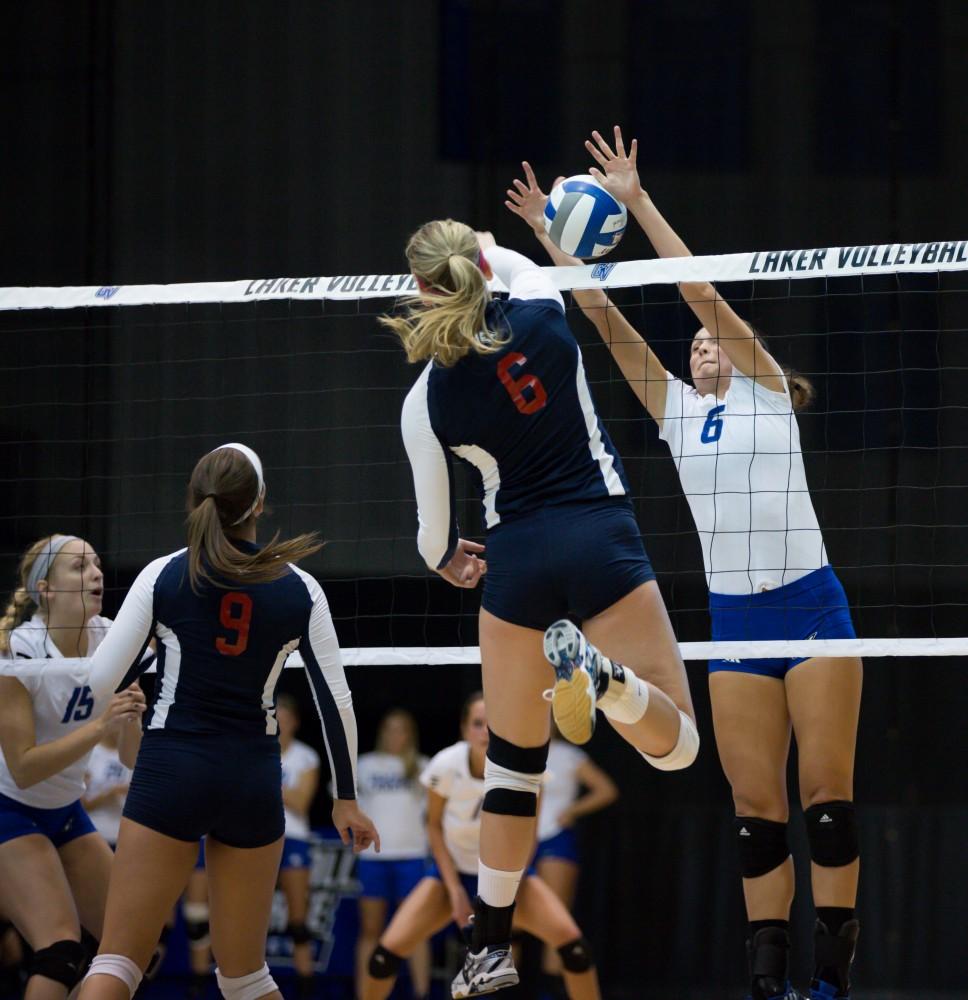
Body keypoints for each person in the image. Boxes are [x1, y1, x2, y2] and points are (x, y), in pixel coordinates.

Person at [507, 128, 862, 1000]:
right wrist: (554, 249)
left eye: (713, 340)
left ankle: (832, 981)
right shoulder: (674, 414)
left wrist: (634, 202)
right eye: (696, 344)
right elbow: (604, 317)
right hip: (736, 622)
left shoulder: (769, 392)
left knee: (825, 802)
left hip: (812, 609)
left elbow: (698, 290)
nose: (702, 346)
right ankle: (769, 984)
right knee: (755, 819)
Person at [386, 220, 698, 995]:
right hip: (599, 533)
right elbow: (515, 263)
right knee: (682, 745)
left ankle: (489, 948)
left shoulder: (423, 401)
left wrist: (449, 561)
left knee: (513, 773)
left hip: (515, 563)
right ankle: (610, 684)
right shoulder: (538, 302)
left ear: (422, 288)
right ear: (482, 262)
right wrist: (498, 236)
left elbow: (432, 539)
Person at [72, 443, 379, 1000]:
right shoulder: (300, 589)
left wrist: (150, 659)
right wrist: (347, 797)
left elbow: (97, 684)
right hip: (252, 779)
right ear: (259, 503)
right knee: (245, 977)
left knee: (116, 964)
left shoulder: (163, 574)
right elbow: (337, 700)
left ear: (194, 501)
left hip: (172, 768)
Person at [361, 694, 600, 1000]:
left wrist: (506, 894)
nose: (485, 731)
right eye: (477, 724)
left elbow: (530, 833)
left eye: (493, 724)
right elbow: (433, 826)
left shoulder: (525, 766)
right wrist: (455, 890)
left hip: (510, 880)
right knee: (383, 959)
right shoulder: (446, 764)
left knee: (576, 951)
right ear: (464, 729)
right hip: (455, 875)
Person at [0, 535, 145, 1000]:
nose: (97, 574)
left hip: (65, 809)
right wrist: (102, 722)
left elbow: (129, 758)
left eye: (98, 564)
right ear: (47, 589)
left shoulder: (114, 639)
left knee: (134, 951)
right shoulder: (18, 653)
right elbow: (22, 768)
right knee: (61, 951)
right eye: (80, 567)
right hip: (10, 808)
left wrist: (130, 722)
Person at [354, 709, 430, 1000]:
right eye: (389, 728)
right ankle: (366, 994)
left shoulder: (423, 766)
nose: (395, 735)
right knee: (370, 930)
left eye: (401, 729)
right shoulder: (365, 764)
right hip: (373, 858)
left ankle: (421, 992)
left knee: (414, 930)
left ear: (410, 734)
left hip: (411, 855)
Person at [534, 729, 617, 993]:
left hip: (554, 839)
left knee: (556, 923)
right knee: (505, 922)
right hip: (518, 839)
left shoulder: (570, 756)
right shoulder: (515, 750)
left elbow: (607, 790)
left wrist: (572, 811)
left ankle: (549, 994)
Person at [276, 693, 321, 995]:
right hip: (254, 835)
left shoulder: (305, 757)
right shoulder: (251, 749)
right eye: (274, 715)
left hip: (292, 837)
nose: (279, 721)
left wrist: (265, 780)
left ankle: (305, 987)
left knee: (298, 920)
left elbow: (301, 803)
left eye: (285, 716)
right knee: (246, 915)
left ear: (295, 722)